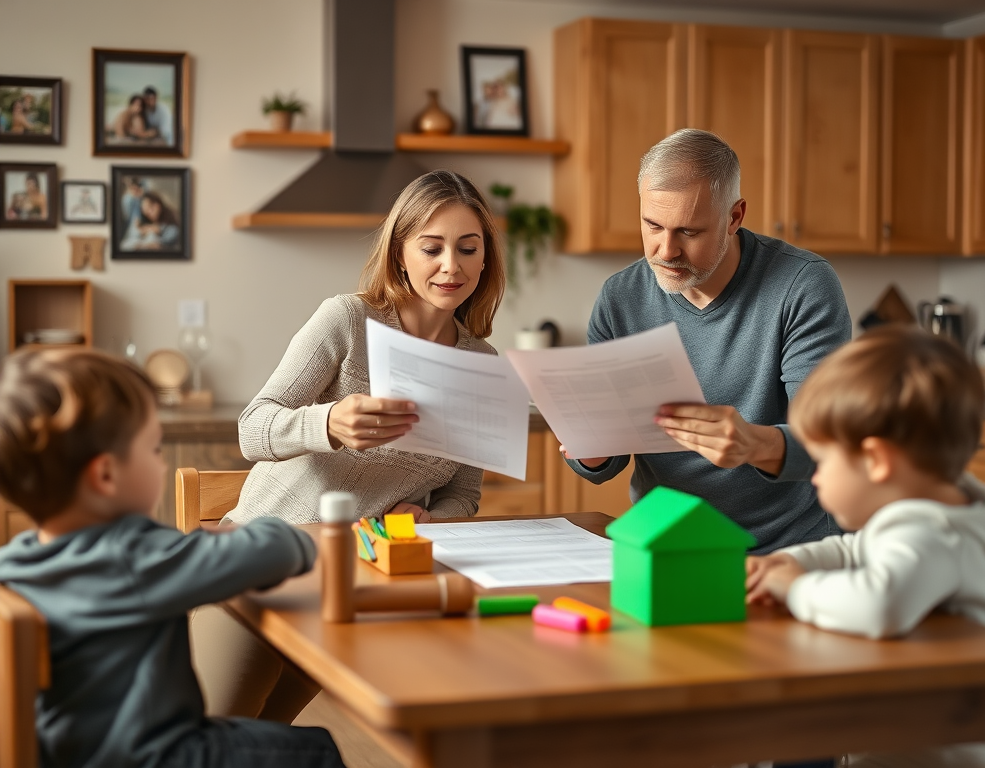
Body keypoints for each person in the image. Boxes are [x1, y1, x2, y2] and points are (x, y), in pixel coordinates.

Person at [191, 169, 506, 723]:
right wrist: (330, 422)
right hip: (261, 563)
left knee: (262, 739)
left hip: (353, 583)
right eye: (431, 247)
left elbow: (465, 493)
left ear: (485, 261)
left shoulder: (481, 364)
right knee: (213, 734)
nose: (450, 266)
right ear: (400, 254)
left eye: (467, 248)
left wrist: (431, 519)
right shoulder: (347, 321)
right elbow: (252, 428)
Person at [0, 347, 347, 768]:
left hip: (74, 754)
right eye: (154, 450)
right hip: (161, 754)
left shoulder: (15, 564)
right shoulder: (137, 554)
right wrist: (276, 531)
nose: (162, 465)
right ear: (106, 475)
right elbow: (275, 552)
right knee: (317, 751)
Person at [564, 128, 851, 555]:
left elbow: (835, 443)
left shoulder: (802, 286)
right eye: (652, 225)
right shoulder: (620, 298)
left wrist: (754, 443)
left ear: (735, 217)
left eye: (690, 232)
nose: (666, 250)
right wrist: (590, 451)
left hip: (785, 552)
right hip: (664, 545)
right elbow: (607, 462)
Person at [745, 326, 985, 637]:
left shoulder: (935, 536)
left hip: (968, 685)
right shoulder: (922, 516)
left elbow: (878, 607)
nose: (816, 476)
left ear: (876, 461)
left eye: (822, 461)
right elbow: (851, 551)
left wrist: (796, 588)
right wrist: (783, 562)